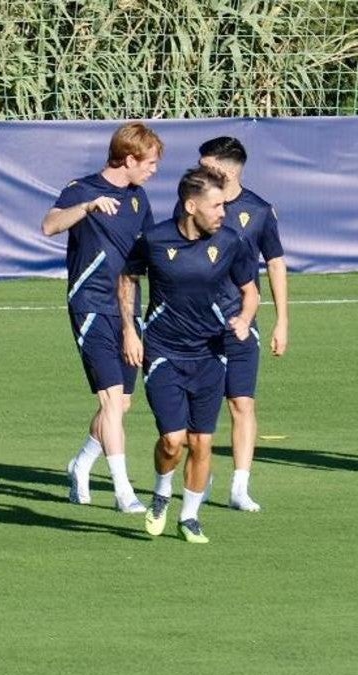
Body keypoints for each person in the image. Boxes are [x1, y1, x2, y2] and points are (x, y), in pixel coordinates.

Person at [120, 166, 259, 543]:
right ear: (190, 205)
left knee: (202, 442)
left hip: (211, 353)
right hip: (163, 352)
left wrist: (246, 320)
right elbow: (128, 279)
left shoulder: (231, 242)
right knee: (172, 440)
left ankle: (190, 516)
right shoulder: (153, 239)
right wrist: (130, 330)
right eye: (215, 206)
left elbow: (250, 292)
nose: (222, 213)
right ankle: (162, 491)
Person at [41, 121, 161, 513]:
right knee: (110, 401)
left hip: (127, 308)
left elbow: (144, 258)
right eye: (150, 162)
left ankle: (81, 464)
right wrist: (87, 208)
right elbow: (49, 225)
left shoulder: (140, 199)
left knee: (123, 404)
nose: (153, 170)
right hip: (90, 305)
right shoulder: (83, 190)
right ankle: (124, 491)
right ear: (129, 158)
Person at [195, 136, 289, 511]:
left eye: (206, 165)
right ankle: (201, 474)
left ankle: (239, 487)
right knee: (198, 407)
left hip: (240, 321)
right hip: (197, 320)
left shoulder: (260, 210)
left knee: (242, 402)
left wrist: (282, 322)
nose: (199, 171)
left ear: (228, 168)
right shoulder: (194, 202)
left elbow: (276, 264)